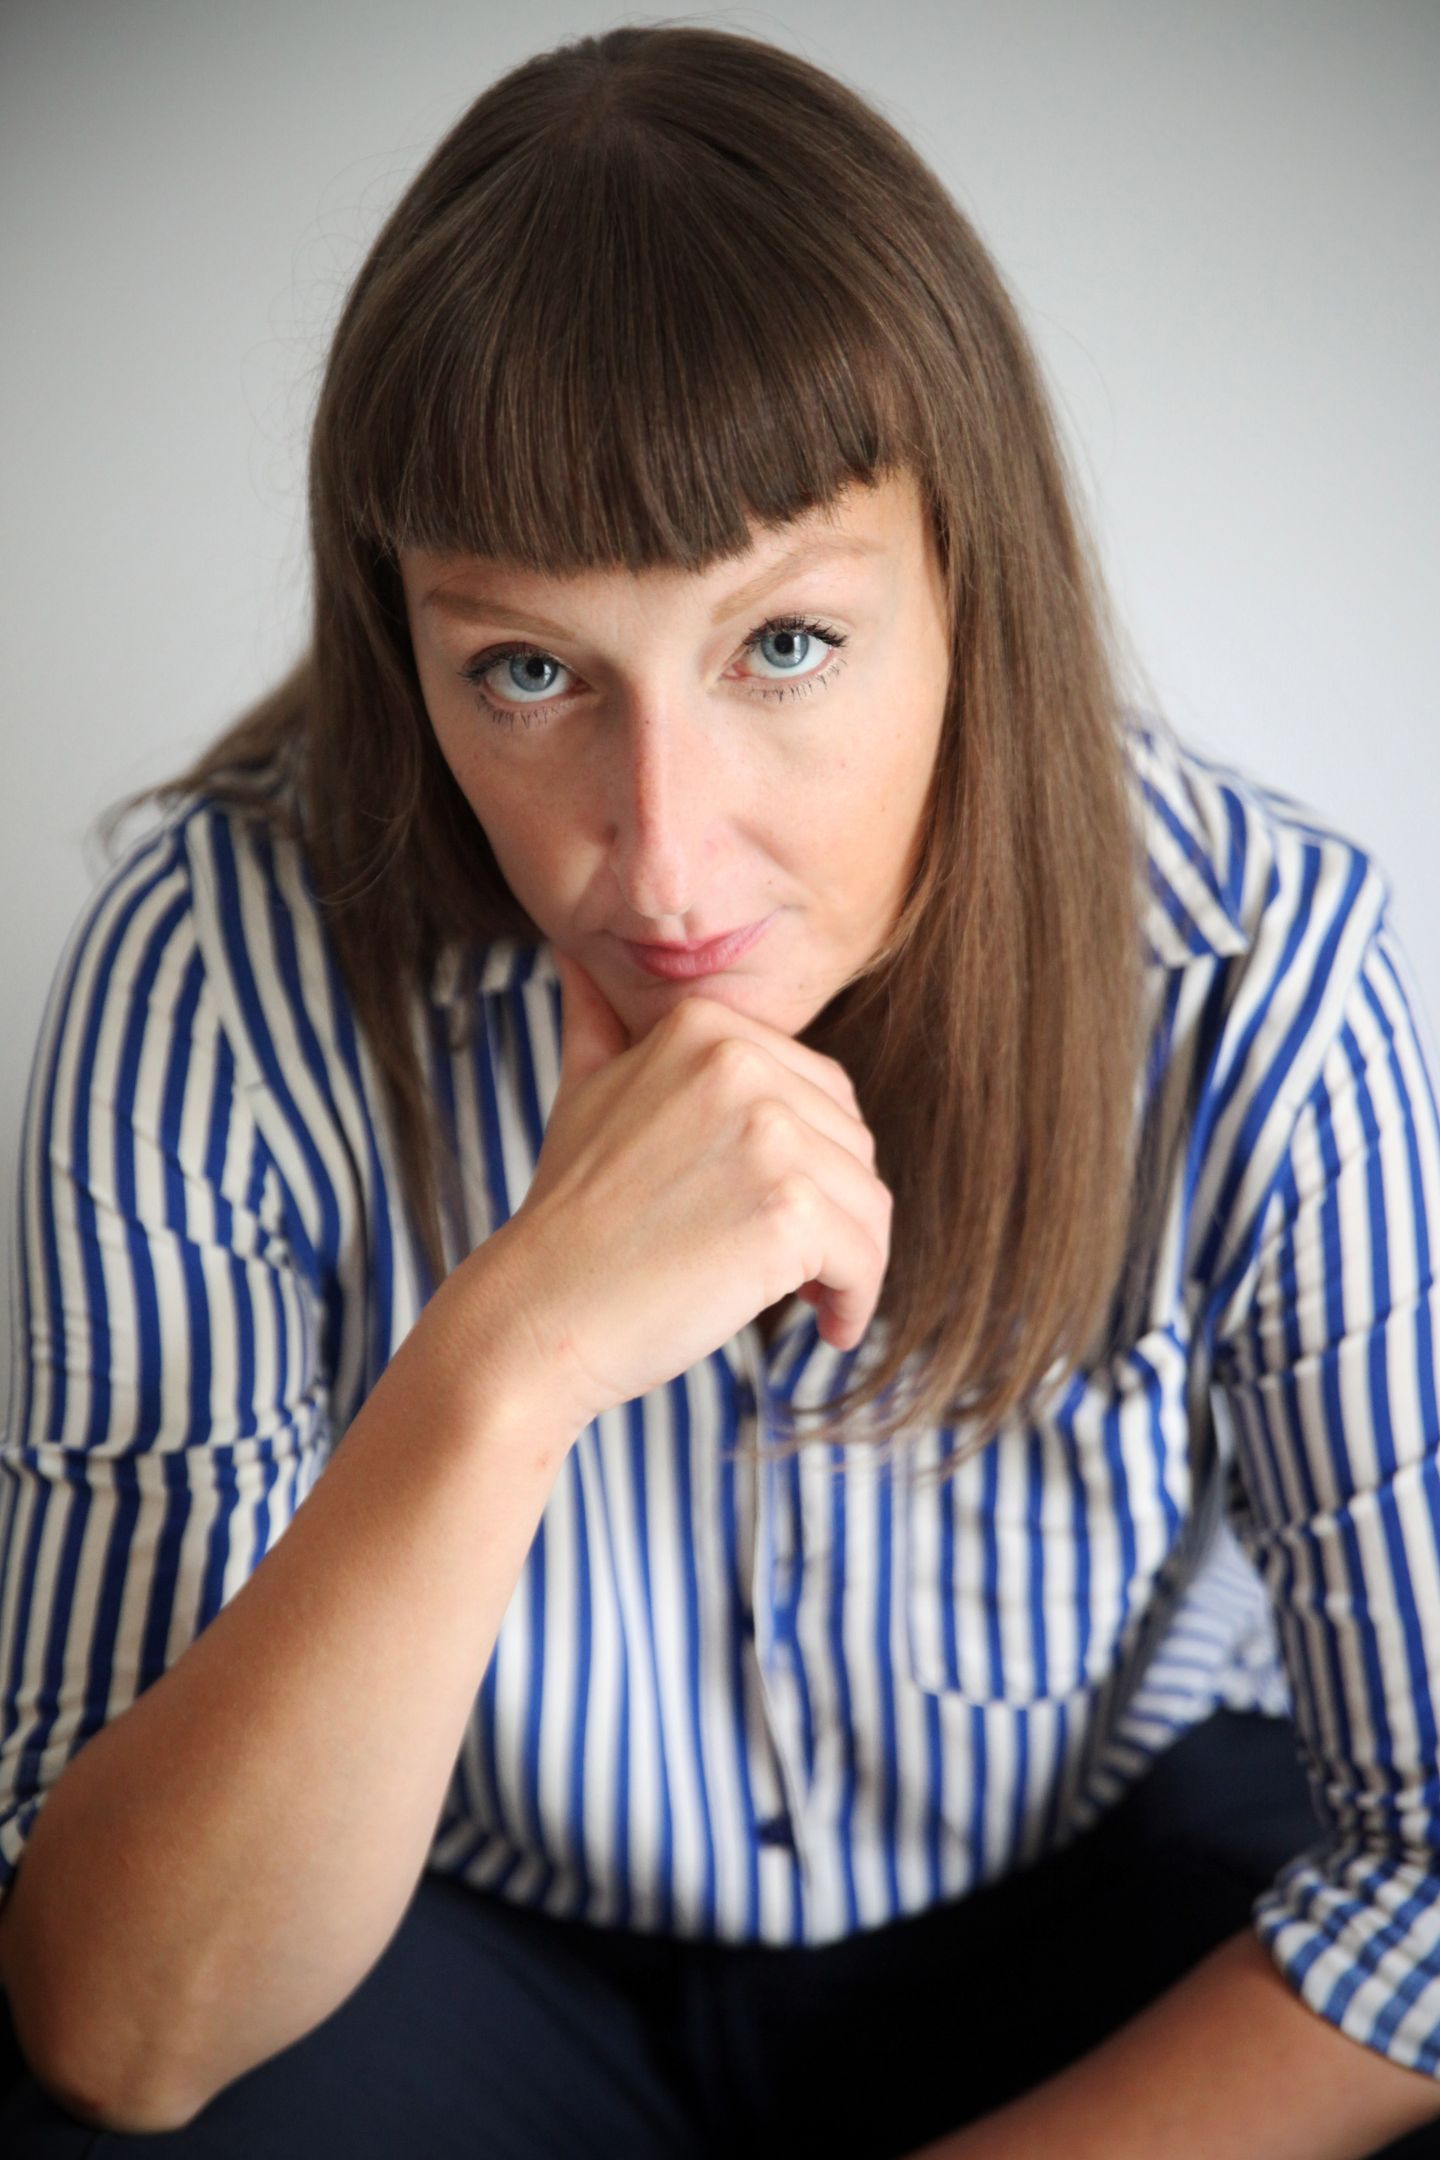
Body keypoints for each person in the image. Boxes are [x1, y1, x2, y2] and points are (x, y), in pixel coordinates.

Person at [1, 21, 1438, 2159]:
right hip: (453, 1943)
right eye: (528, 672)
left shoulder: (1258, 972)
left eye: (784, 646)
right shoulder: (216, 970)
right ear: (408, 648)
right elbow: (120, 2027)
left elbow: (1426, 1882)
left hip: (1074, 1911)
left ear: (971, 593)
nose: (664, 864)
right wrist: (511, 1360)